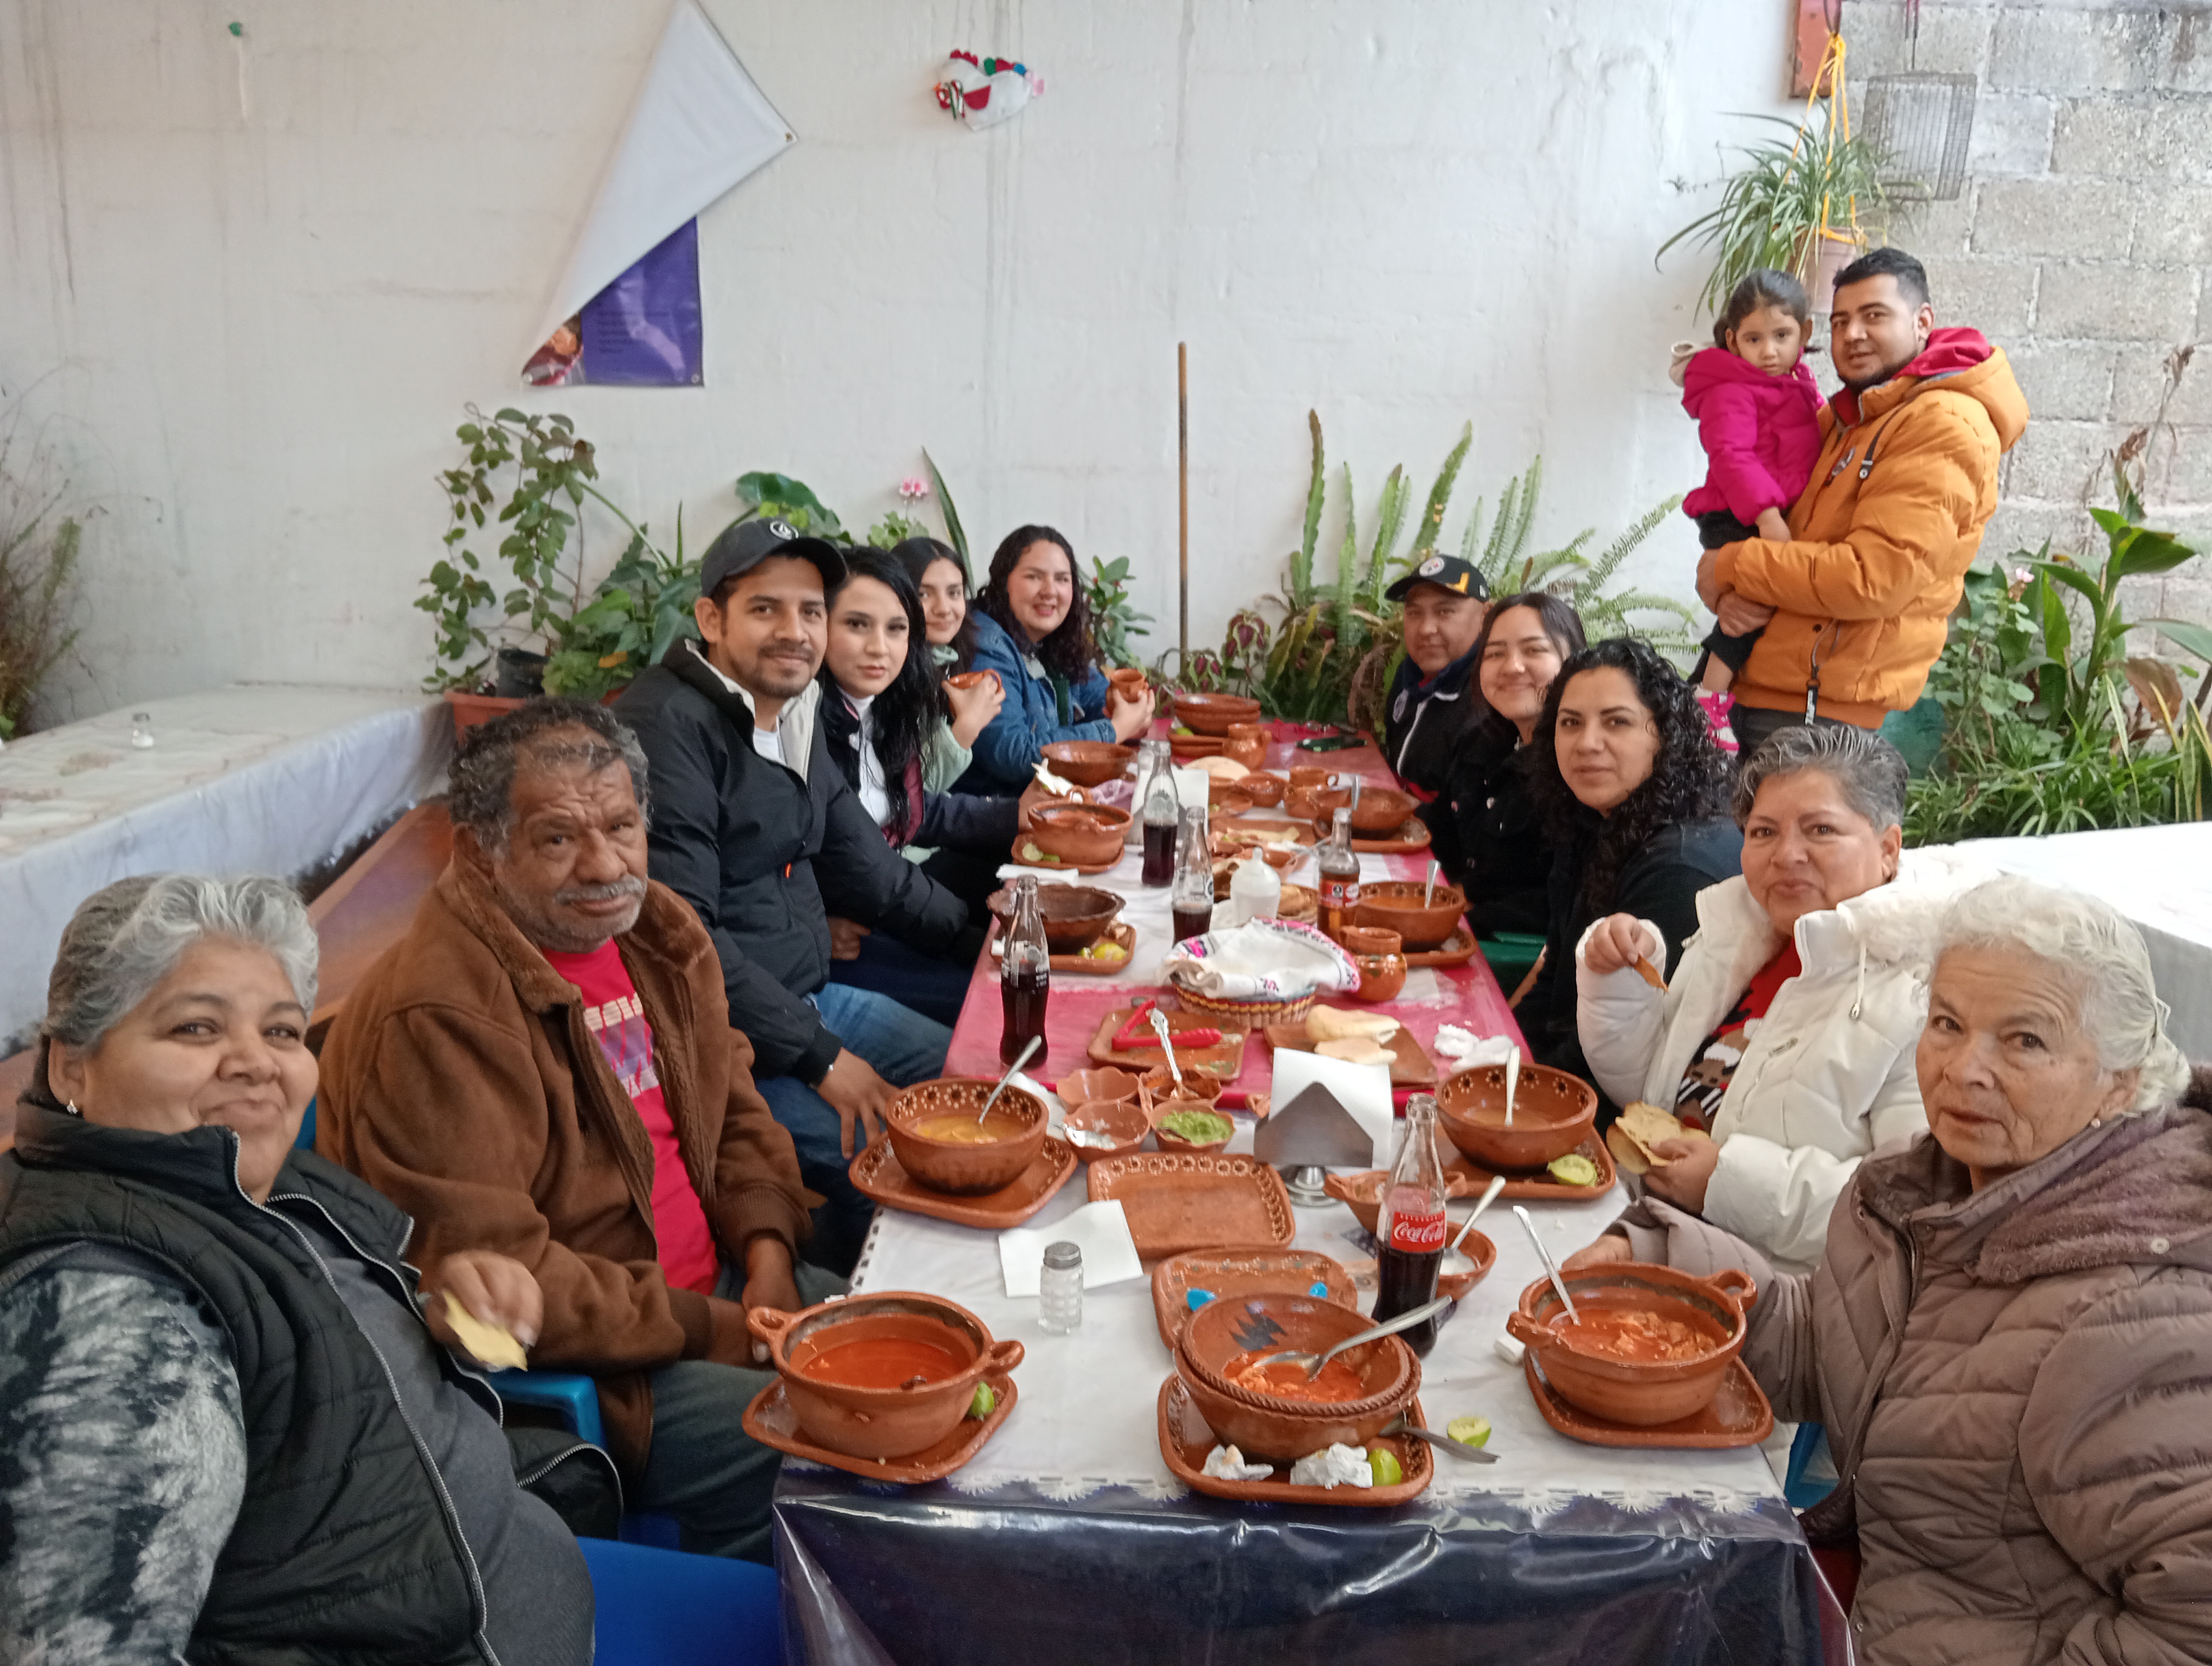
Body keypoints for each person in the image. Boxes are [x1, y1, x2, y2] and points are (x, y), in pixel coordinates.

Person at [1566, 877, 2212, 1663]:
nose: (1964, 1068)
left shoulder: (2140, 1316)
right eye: (1947, 1023)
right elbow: (1844, 1347)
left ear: (2120, 1079)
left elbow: (2191, 1623)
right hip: (1859, 1611)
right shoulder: (1933, 1188)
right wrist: (1669, 1261)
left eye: (2025, 1041)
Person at [1, 875, 595, 1662]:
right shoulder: (115, 1314)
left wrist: (435, 1309)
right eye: (194, 1029)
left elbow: (309, 1388)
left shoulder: (244, 1183)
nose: (256, 1063)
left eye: (282, 1033)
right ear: (73, 1068)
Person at [318, 701, 837, 1562]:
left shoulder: (661, 934)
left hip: (729, 1293)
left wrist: (772, 1256)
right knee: (833, 1461)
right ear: (483, 850)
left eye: (623, 827)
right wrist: (719, 1330)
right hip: (617, 1374)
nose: (605, 865)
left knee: (936, 1354)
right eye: (558, 839)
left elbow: (736, 1109)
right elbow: (504, 1280)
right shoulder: (441, 1013)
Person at [614, 520, 974, 1274]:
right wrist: (821, 1060)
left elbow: (865, 865)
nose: (796, 632)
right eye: (765, 609)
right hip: (730, 1046)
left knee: (976, 1084)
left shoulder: (794, 710)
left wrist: (985, 946)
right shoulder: (668, 728)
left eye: (811, 611)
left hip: (810, 1001)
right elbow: (684, 937)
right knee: (906, 1170)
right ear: (711, 619)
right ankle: (865, 1314)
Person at [1575, 725, 1989, 1271]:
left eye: (1820, 830)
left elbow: (1910, 1204)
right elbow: (1647, 1092)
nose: (1786, 855)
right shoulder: (1741, 937)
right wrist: (1617, 983)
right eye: (1764, 832)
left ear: (1888, 849)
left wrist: (1726, 1184)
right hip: (1653, 1231)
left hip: (1781, 1303)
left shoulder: (1933, 996)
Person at [1694, 246, 2029, 754]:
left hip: (1814, 718)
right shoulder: (1851, 417)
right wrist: (1720, 583)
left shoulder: (1942, 425)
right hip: (1768, 691)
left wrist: (1729, 566)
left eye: (1874, 316)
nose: (1852, 334)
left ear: (1923, 322)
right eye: (1841, 321)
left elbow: (1871, 578)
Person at [1521, 638, 1739, 1102]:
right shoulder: (1592, 820)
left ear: (1665, 734)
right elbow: (1554, 983)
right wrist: (1497, 1056)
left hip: (1624, 1115)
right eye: (1570, 723)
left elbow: (1622, 1053)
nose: (1587, 743)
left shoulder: (1679, 866)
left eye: (1616, 722)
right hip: (1567, 1071)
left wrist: (1510, 1088)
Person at [819, 548, 1023, 1021]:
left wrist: (1020, 815)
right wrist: (807, 925)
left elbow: (910, 809)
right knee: (996, 1004)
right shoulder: (807, 727)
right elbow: (860, 864)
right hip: (844, 940)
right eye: (856, 625)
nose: (879, 647)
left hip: (884, 912)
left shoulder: (882, 709)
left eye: (895, 629)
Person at [1678, 268, 1823, 695]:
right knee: (1751, 609)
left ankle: (1701, 695)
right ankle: (1709, 700)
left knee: (1758, 612)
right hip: (1738, 512)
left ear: (1805, 332)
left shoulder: (1795, 384)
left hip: (1765, 512)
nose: (1769, 351)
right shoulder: (1730, 390)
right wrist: (1767, 516)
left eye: (1782, 335)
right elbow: (1731, 457)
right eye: (1754, 339)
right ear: (1732, 340)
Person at [1425, 591, 1586, 935]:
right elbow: (1439, 832)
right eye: (1495, 653)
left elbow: (1567, 898)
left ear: (1574, 662)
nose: (1512, 667)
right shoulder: (1481, 742)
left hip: (1510, 951)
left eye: (1534, 650)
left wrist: (1460, 911)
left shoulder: (1581, 768)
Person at [956, 524, 1154, 793]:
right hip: (997, 821)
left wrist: (1129, 709)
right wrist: (1115, 730)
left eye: (1062, 579)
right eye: (1034, 577)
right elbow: (1012, 754)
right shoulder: (987, 646)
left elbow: (1094, 695)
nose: (1050, 591)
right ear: (1004, 583)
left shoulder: (1048, 639)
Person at [891, 535, 1004, 799]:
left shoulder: (946, 658)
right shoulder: (888, 674)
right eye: (923, 594)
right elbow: (910, 797)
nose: (944, 609)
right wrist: (968, 726)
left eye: (954, 593)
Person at [1378, 553, 1492, 797]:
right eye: (1414, 613)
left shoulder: (1488, 697)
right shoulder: (1409, 677)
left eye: (1445, 612)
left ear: (1486, 616)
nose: (1426, 629)